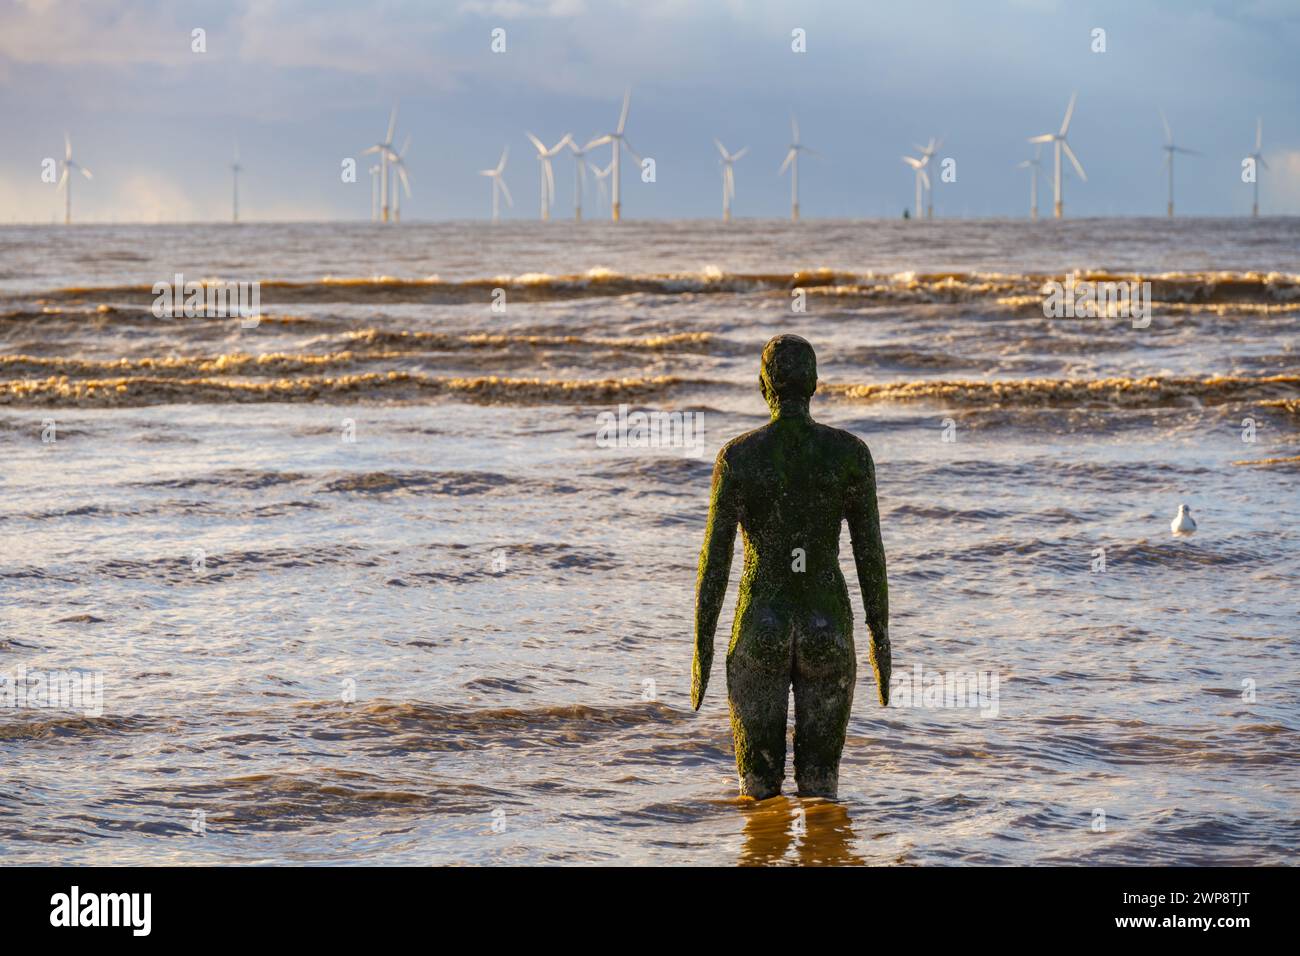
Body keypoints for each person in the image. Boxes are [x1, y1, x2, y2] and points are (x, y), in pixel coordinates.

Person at [691, 334, 890, 800]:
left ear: (765, 385)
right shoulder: (850, 454)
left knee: (758, 793)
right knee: (821, 790)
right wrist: (880, 639)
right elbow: (870, 554)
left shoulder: (737, 457)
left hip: (761, 624)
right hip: (827, 626)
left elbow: (715, 562)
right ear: (815, 383)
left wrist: (701, 648)